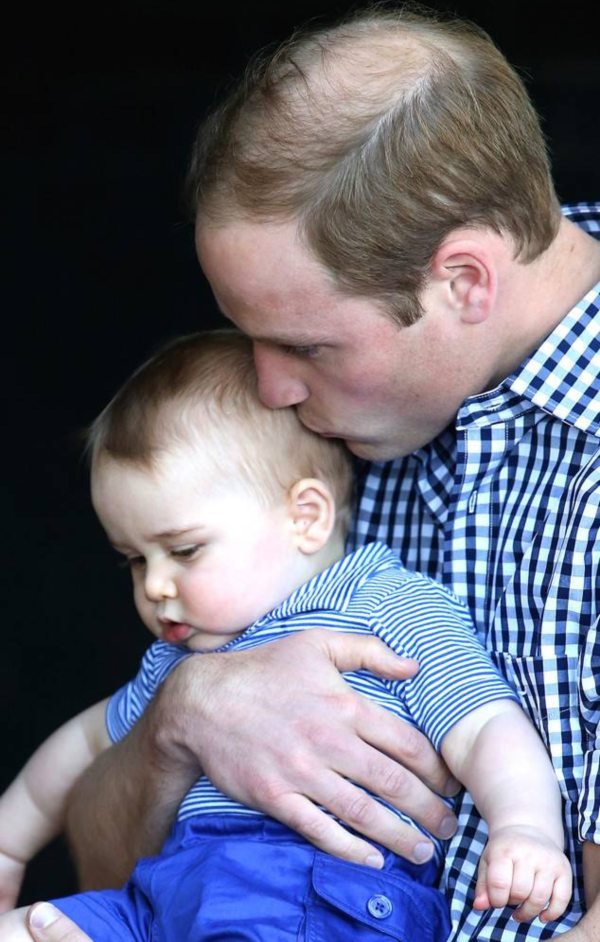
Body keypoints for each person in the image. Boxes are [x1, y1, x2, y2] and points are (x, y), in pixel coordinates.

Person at [21, 3, 600, 941]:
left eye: (303, 344)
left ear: (464, 282)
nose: (266, 387)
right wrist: (185, 711)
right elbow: (114, 878)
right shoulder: (334, 434)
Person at [0, 330, 572, 940]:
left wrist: (526, 829)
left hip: (317, 892)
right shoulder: (182, 659)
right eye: (135, 560)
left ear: (306, 517)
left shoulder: (380, 604)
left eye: (183, 550)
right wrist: (9, 850)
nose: (156, 585)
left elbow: (485, 724)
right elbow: (82, 746)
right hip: (169, 896)